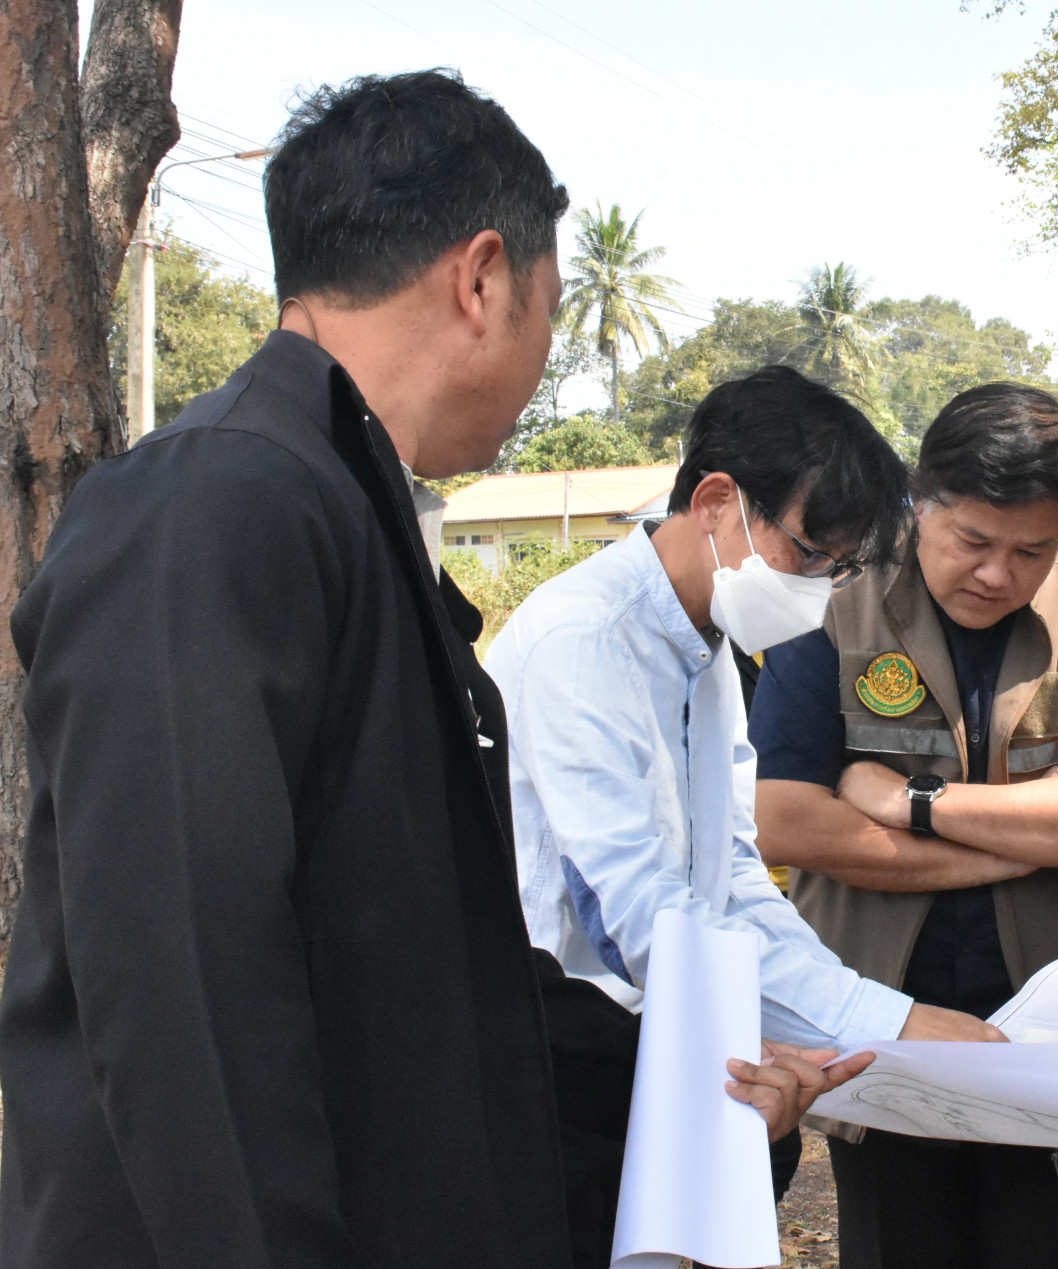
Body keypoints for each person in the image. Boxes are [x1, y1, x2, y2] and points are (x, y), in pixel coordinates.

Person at [0, 71, 583, 1267]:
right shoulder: (212, 501)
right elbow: (182, 998)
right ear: (481, 278)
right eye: (548, 305)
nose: (542, 349)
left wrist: (684, 1066)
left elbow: (421, 958)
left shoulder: (342, 508)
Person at [484, 366, 1004, 1267]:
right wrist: (876, 1018)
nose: (817, 585)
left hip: (679, 1049)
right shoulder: (584, 640)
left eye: (839, 568)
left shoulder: (708, 647)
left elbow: (731, 875)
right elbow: (634, 915)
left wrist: (865, 1015)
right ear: (718, 500)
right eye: (808, 553)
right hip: (570, 1059)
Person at [750, 383, 1058, 1269]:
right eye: (972, 540)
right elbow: (783, 819)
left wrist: (912, 803)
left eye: (1032, 550)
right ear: (921, 499)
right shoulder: (835, 595)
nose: (996, 573)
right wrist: (1029, 845)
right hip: (885, 1019)